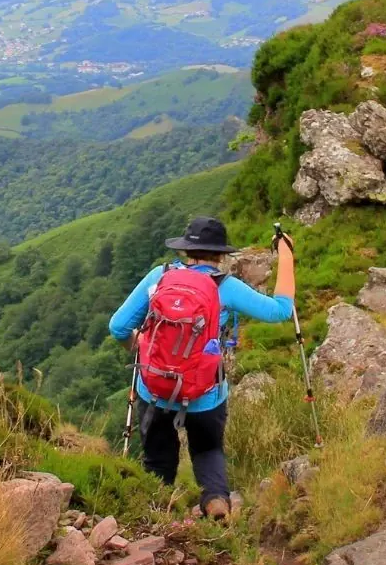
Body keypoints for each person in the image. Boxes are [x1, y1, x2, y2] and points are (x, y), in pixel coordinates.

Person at [109, 215, 295, 519]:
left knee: (157, 462)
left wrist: (140, 345)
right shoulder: (227, 287)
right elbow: (281, 311)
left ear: (185, 251)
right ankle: (216, 500)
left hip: (154, 388)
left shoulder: (160, 276)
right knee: (208, 451)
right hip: (204, 392)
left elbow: (117, 327)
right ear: (221, 255)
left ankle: (154, 521)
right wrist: (286, 253)